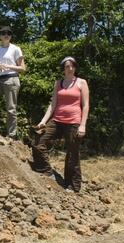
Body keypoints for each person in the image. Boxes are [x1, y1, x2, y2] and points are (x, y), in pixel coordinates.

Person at [31, 56, 90, 192]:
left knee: (72, 154)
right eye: (67, 66)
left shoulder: (81, 83)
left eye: (72, 66)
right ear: (63, 69)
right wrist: (43, 121)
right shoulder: (58, 83)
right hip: (57, 120)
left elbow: (86, 105)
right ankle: (47, 171)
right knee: (38, 141)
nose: (70, 69)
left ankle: (73, 186)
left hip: (74, 122)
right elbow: (52, 105)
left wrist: (83, 125)